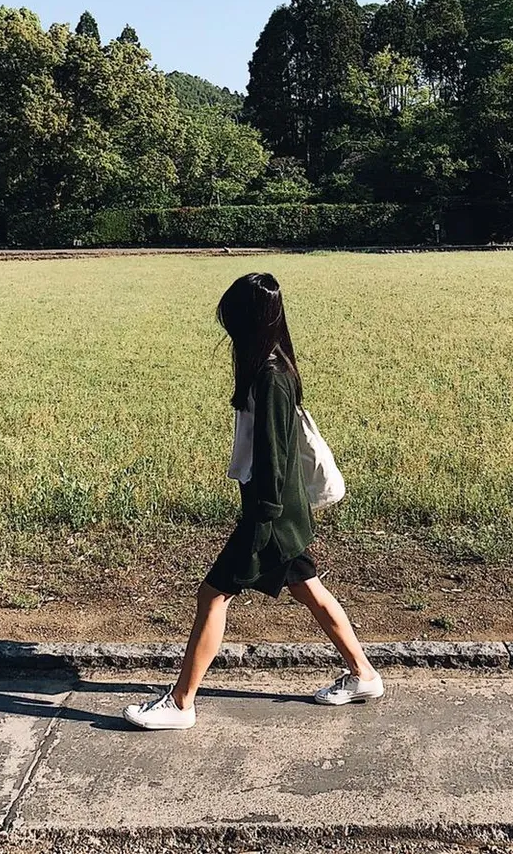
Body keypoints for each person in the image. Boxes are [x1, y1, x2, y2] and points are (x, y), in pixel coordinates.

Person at [124, 272, 383, 730]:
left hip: (271, 515)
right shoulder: (269, 368)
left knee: (212, 594)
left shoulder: (271, 378)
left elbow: (273, 457)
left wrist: (261, 521)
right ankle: (363, 674)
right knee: (308, 588)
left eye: (232, 317)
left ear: (250, 320)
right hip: (280, 513)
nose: (227, 326)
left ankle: (181, 703)